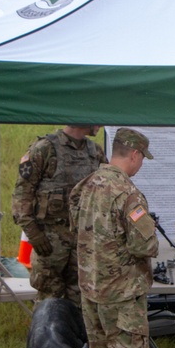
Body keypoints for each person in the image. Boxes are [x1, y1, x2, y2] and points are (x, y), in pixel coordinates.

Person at [69, 128, 159, 348]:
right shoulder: (127, 193)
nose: (141, 165)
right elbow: (145, 245)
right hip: (121, 290)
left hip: (90, 284)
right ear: (134, 155)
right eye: (141, 159)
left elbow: (74, 226)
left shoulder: (86, 184)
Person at [12, 125, 106, 305]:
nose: (99, 125)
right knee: (49, 298)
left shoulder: (95, 152)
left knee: (81, 297)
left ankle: (74, 332)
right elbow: (22, 194)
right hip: (49, 241)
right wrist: (34, 234)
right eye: (95, 119)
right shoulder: (45, 149)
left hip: (83, 240)